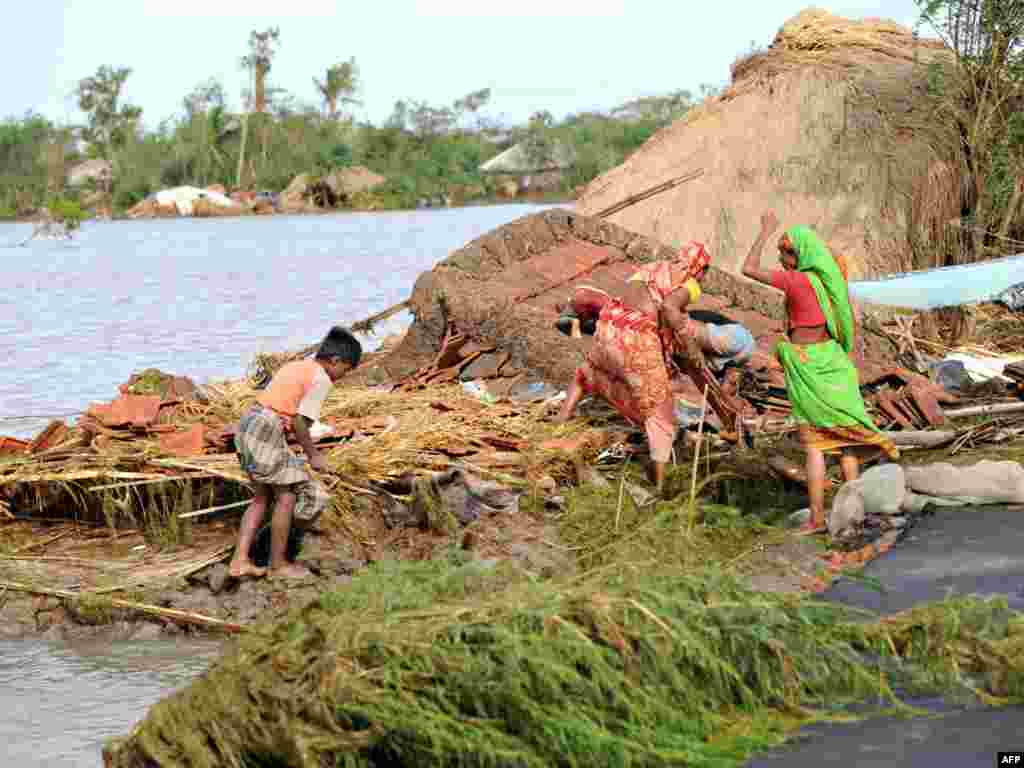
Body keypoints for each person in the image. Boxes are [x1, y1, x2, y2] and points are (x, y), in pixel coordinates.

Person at [741, 211, 898, 534]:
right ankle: (854, 513)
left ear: (798, 255)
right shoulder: (829, 281)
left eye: (784, 254)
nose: (781, 261)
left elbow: (748, 269)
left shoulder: (796, 280)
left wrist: (765, 231)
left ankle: (816, 519)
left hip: (809, 365)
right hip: (835, 361)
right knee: (845, 442)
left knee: (815, 445)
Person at [229, 326, 362, 579]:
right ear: (335, 361)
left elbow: (283, 408)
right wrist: (314, 455)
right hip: (266, 428)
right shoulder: (321, 380)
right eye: (345, 371)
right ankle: (278, 565)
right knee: (287, 496)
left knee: (261, 497)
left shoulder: (296, 366)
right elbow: (300, 421)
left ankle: (240, 561)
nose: (342, 377)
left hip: (249, 423)